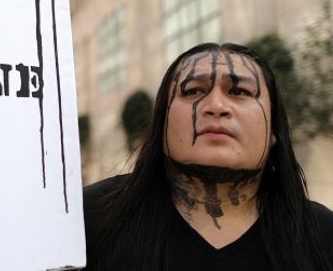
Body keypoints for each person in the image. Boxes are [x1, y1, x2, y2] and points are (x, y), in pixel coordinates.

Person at [83, 43, 333, 270]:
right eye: (192, 91)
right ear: (162, 124)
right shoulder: (88, 219)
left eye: (239, 91)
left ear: (273, 132)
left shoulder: (323, 235)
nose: (216, 105)